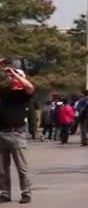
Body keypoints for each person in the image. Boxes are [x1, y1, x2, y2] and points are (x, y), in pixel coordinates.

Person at [0, 65, 35, 204]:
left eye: (15, 77)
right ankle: (4, 193)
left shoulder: (22, 95)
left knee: (22, 167)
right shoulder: (3, 92)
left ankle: (26, 193)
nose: (12, 79)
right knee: (2, 170)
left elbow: (30, 87)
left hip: (17, 134)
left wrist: (15, 74)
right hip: (1, 133)